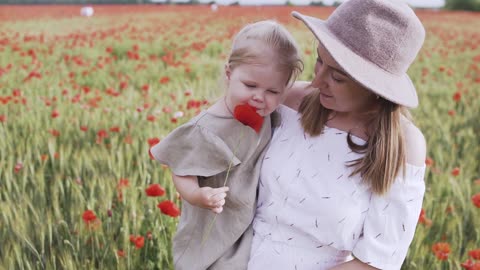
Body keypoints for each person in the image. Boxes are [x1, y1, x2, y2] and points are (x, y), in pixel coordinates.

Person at [248, 0, 427, 269]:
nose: (317, 81)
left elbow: (377, 262)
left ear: (375, 86)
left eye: (338, 77)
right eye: (320, 60)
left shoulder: (403, 145)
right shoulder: (291, 100)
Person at [150, 20, 303, 270]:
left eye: (272, 91)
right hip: (214, 222)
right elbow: (182, 172)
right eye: (250, 85)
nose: (259, 97)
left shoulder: (268, 113)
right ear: (229, 74)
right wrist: (198, 195)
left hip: (247, 224)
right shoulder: (206, 128)